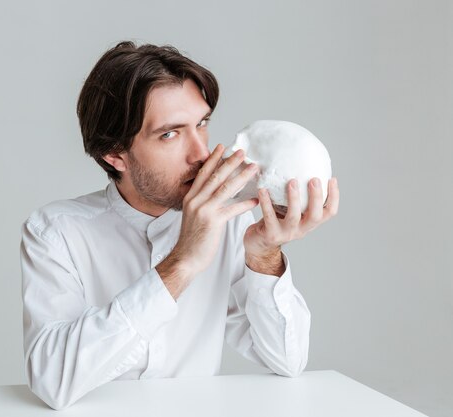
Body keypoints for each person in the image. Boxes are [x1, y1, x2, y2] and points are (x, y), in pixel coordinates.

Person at [20, 41, 339, 410]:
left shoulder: (231, 222)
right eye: (170, 134)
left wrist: (264, 255)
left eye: (201, 124)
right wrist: (181, 263)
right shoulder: (55, 232)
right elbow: (51, 381)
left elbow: (287, 360)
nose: (201, 154)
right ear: (114, 154)